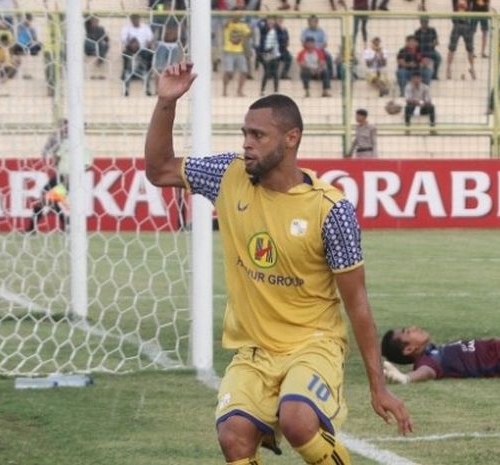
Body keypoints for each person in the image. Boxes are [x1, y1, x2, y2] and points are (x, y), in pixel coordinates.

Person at [145, 62, 412, 465]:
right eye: (244, 134)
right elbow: (159, 169)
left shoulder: (331, 210)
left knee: (298, 419)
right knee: (234, 438)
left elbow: (357, 304)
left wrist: (378, 386)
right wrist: (166, 102)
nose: (247, 144)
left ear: (291, 139)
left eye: (257, 135)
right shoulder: (226, 175)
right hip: (253, 350)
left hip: (314, 345)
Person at [446, 0, 476, 80]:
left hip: (466, 25)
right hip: (457, 24)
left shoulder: (469, 2)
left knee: (470, 49)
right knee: (452, 48)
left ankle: (472, 68)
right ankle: (448, 68)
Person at [222, 15, 251, 97]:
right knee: (229, 72)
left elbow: (248, 33)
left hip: (240, 51)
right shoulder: (229, 24)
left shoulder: (242, 25)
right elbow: (225, 25)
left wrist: (244, 37)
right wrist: (230, 19)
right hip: (229, 51)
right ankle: (224, 90)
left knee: (244, 71)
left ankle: (239, 91)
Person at [301, 15, 334, 80]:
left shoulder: (322, 31)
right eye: (310, 22)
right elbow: (303, 43)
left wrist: (318, 50)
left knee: (328, 56)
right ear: (308, 22)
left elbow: (325, 43)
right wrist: (311, 49)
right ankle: (309, 76)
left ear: (317, 22)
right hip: (309, 50)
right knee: (303, 57)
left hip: (320, 49)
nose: (311, 23)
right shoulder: (305, 31)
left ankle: (330, 75)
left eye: (313, 21)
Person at [257, 16, 282, 95]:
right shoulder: (264, 30)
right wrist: (263, 19)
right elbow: (258, 24)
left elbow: (282, 38)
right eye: (269, 22)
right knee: (267, 72)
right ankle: (262, 90)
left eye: (272, 22)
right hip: (267, 54)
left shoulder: (277, 30)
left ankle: (276, 91)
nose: (270, 23)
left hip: (275, 54)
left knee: (275, 73)